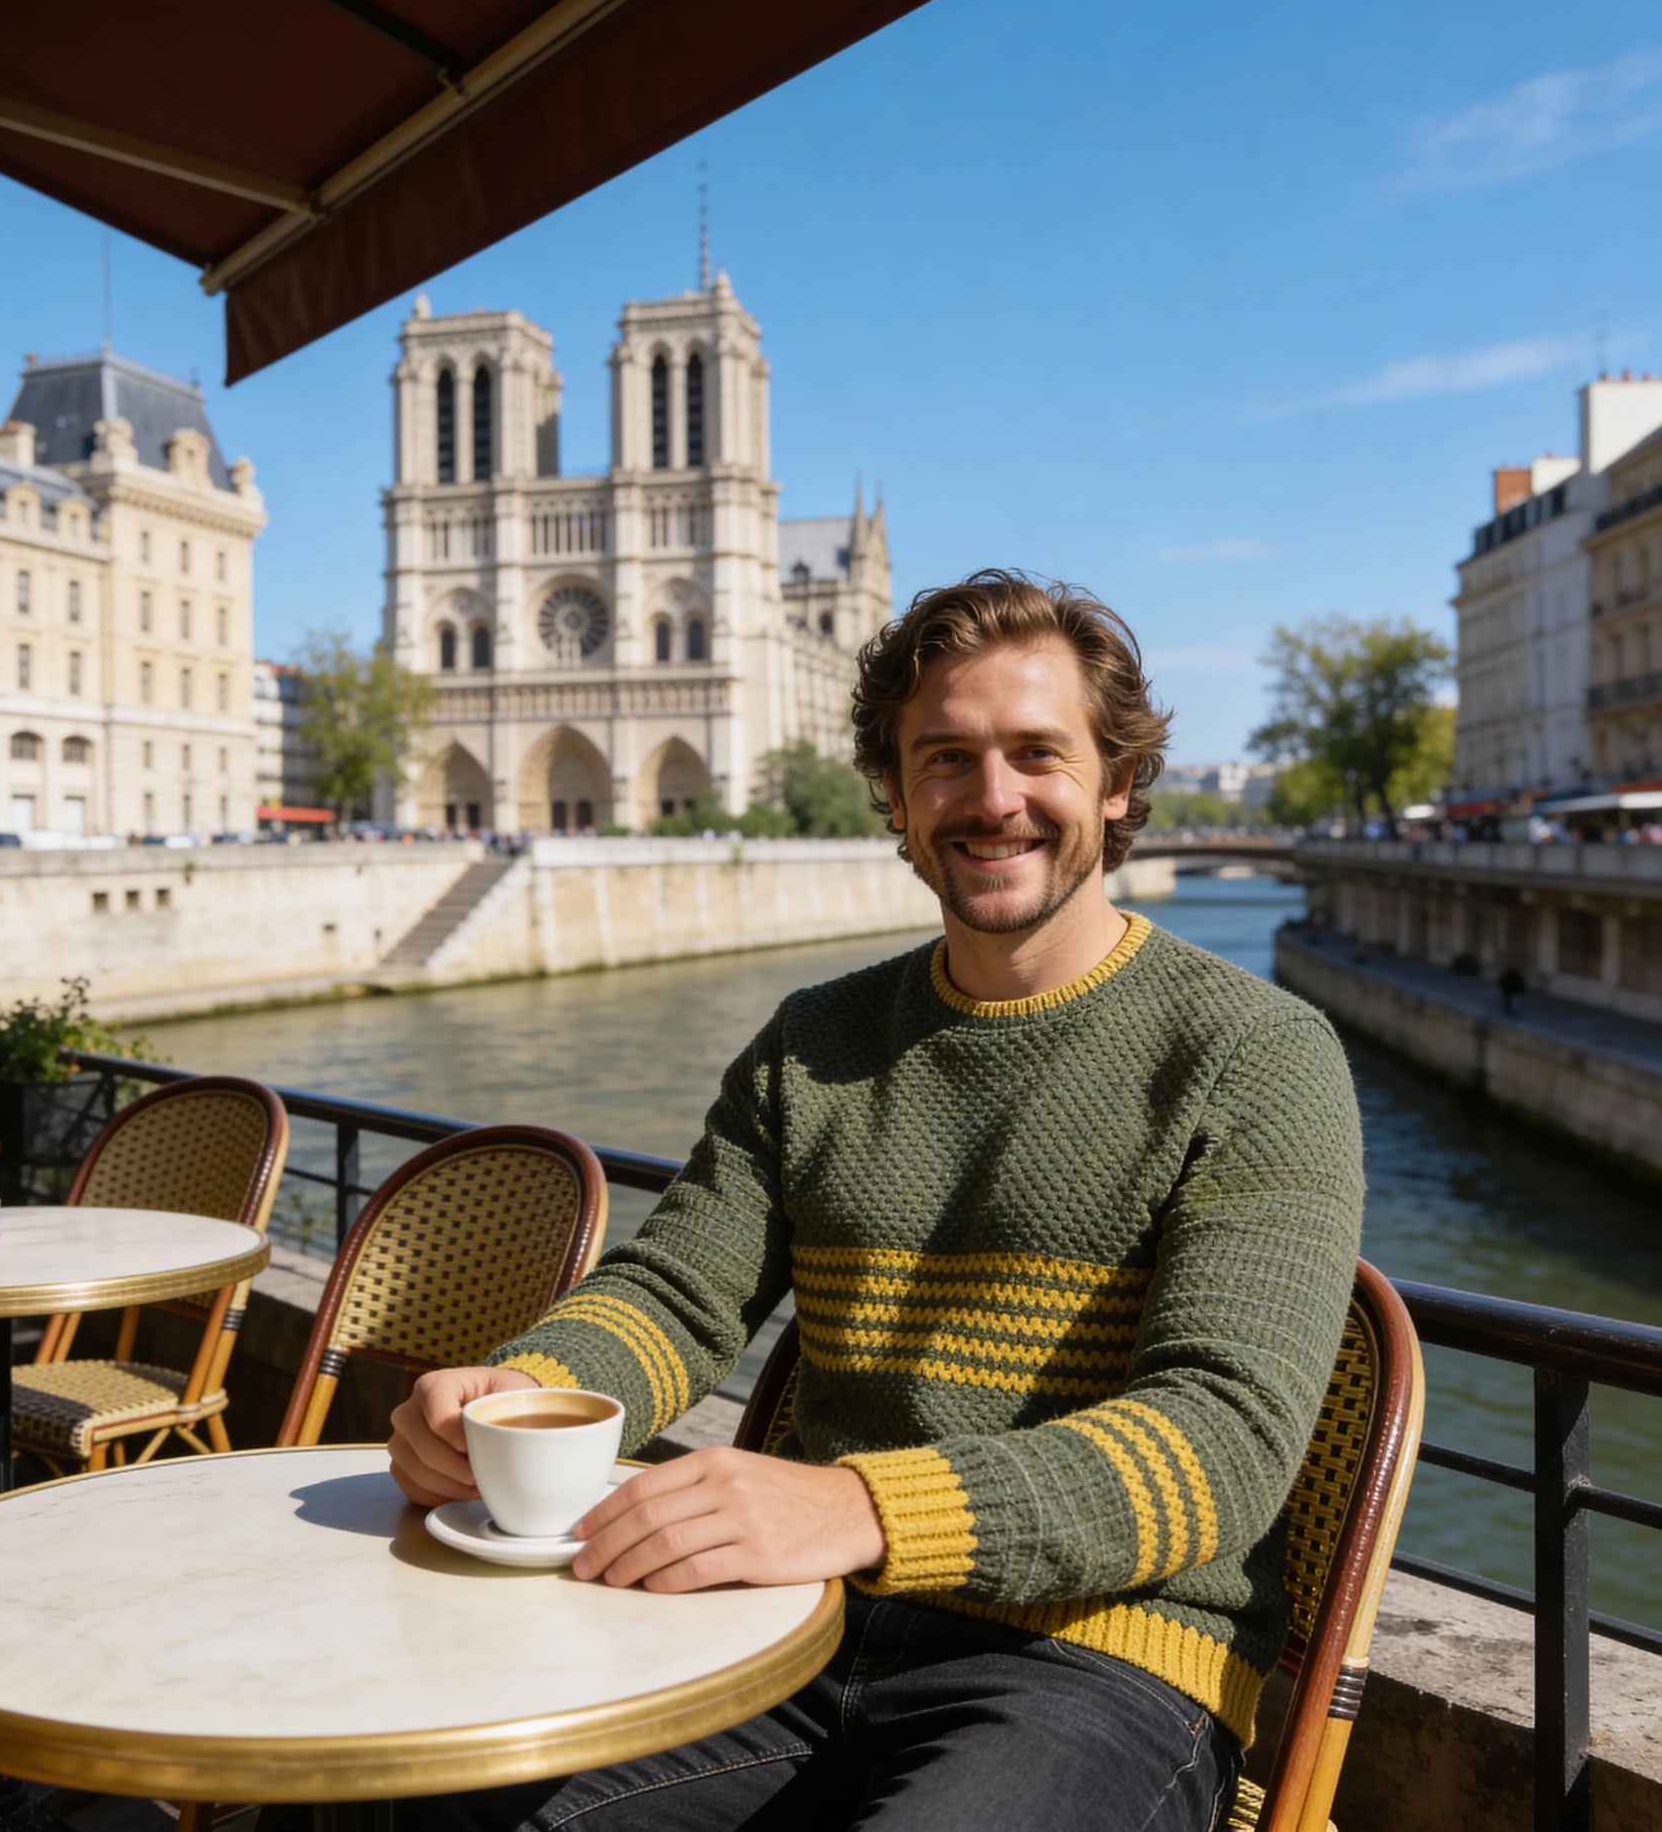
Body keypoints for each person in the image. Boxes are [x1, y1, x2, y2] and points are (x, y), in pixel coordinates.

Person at [390, 571, 1365, 1831]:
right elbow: (677, 1290)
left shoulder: (1255, 1052)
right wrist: (525, 1397)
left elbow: (1218, 1443)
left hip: (1097, 1660)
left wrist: (854, 1502)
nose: (990, 796)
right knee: (441, 1785)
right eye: (943, 758)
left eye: (1036, 754)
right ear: (896, 799)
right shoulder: (813, 1039)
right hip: (793, 1620)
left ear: (1117, 785)